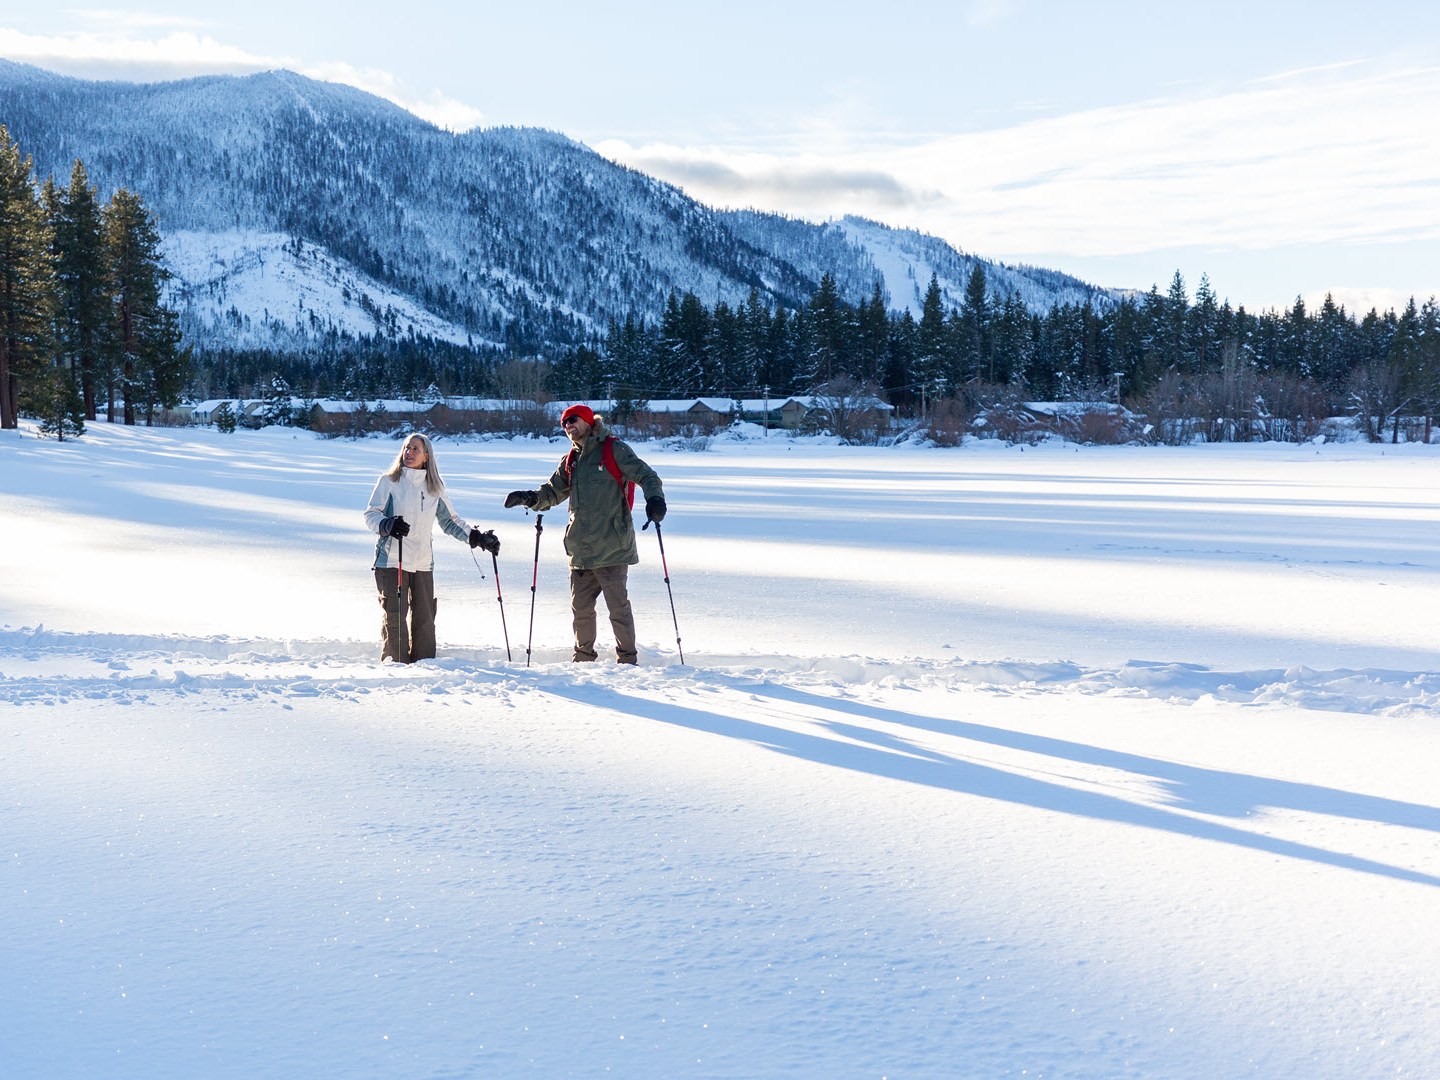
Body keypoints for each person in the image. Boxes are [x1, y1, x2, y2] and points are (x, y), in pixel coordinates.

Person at [504, 404, 665, 664]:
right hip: (580, 548)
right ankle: (583, 660)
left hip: (613, 546)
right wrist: (530, 498)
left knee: (618, 609)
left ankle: (627, 659)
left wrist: (655, 499)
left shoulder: (614, 449)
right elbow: (552, 492)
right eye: (564, 424)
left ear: (589, 421)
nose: (568, 426)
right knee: (581, 611)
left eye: (573, 420)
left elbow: (647, 475)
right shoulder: (571, 460)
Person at [364, 432, 499, 663]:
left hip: (423, 561)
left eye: (415, 449)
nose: (409, 452)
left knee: (425, 618)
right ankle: (395, 664)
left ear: (426, 456)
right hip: (390, 559)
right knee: (395, 615)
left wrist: (477, 538)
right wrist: (388, 524)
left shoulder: (434, 488)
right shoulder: (389, 482)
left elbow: (450, 522)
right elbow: (371, 514)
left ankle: (425, 664)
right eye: (406, 448)